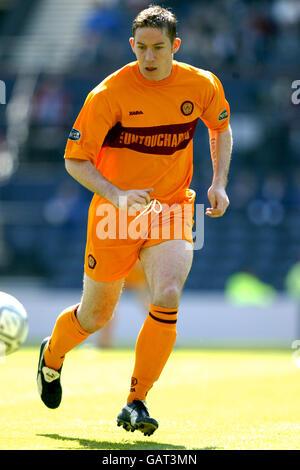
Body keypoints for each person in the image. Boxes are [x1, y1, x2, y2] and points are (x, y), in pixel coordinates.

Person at [37, 5, 232, 436]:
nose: (149, 57)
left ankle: (136, 401)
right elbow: (75, 159)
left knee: (165, 294)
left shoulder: (201, 84)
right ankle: (51, 357)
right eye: (141, 48)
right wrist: (116, 195)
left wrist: (218, 182)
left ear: (175, 46)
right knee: (95, 316)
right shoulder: (108, 94)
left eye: (158, 48)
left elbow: (219, 128)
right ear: (132, 46)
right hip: (115, 213)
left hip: (172, 206)